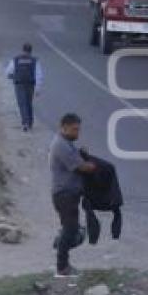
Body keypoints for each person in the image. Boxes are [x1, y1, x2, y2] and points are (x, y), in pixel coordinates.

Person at [49, 113, 96, 277]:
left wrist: (81, 153)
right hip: (65, 195)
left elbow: (77, 158)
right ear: (64, 127)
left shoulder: (67, 143)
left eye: (78, 130)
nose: (77, 133)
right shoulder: (61, 145)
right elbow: (80, 167)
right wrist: (92, 166)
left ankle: (61, 243)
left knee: (71, 230)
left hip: (69, 195)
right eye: (74, 130)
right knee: (71, 231)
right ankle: (62, 267)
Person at [5, 43, 44, 131]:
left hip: (19, 84)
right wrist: (38, 88)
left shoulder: (15, 59)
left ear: (23, 50)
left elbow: (8, 72)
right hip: (30, 84)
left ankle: (25, 123)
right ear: (31, 51)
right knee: (29, 103)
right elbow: (39, 75)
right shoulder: (34, 60)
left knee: (22, 104)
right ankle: (30, 122)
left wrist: (13, 77)